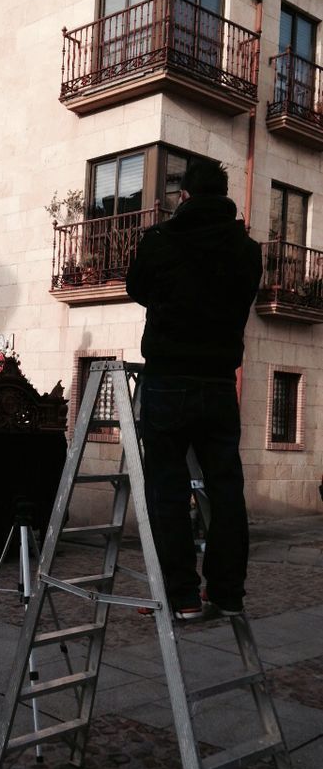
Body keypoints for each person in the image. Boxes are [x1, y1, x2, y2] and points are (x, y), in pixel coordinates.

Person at [126, 161, 262, 621]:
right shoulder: (247, 250)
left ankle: (180, 594)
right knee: (226, 488)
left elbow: (137, 288)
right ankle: (227, 593)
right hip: (221, 383)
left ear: (184, 196)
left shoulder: (162, 241)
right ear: (224, 195)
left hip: (169, 378)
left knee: (167, 487)